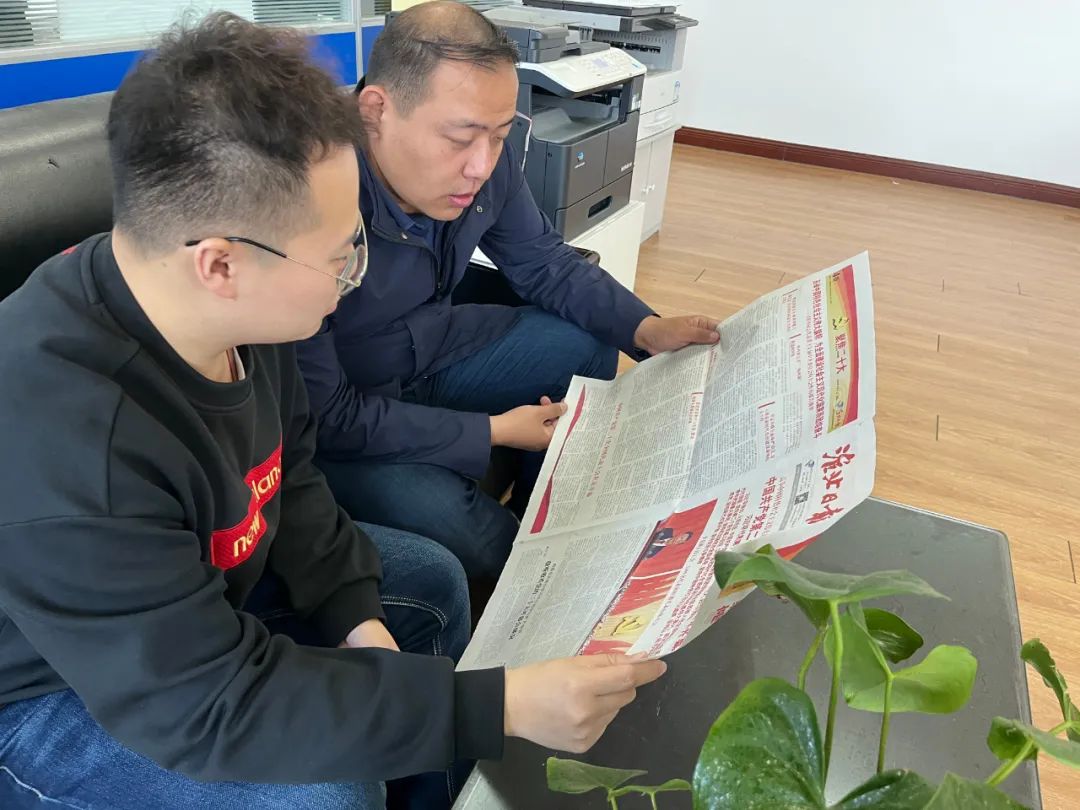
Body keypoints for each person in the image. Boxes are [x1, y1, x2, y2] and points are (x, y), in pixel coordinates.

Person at [0, 14, 666, 810]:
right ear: (221, 265)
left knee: (424, 587)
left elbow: (289, 474)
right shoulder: (73, 440)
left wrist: (354, 612)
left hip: (206, 594)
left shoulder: (241, 316)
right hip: (55, 688)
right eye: (342, 255)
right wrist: (498, 707)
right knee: (327, 792)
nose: (356, 272)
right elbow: (206, 706)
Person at [297, 0, 721, 583]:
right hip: (350, 411)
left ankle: (545, 519)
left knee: (586, 345)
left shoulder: (482, 160)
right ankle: (528, 581)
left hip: (434, 348)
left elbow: (544, 261)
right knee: (468, 538)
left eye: (499, 136)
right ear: (375, 112)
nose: (481, 165)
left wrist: (647, 329)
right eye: (460, 138)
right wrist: (492, 431)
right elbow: (329, 417)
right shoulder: (307, 199)